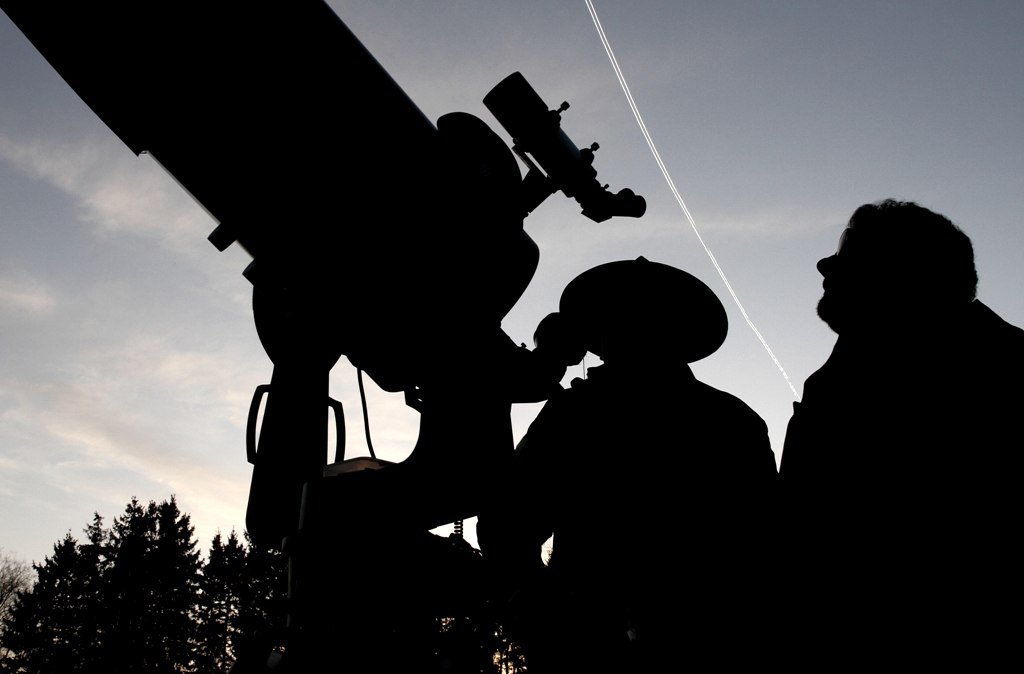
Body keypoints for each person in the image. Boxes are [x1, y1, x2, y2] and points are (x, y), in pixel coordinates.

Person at [478, 256, 778, 672]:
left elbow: (507, 523)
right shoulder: (733, 420)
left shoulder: (575, 413)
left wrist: (532, 607)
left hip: (634, 642)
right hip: (684, 643)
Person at [779, 199, 1024, 666]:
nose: (824, 264)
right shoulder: (835, 382)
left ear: (904, 275)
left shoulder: (1004, 374)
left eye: (848, 255)